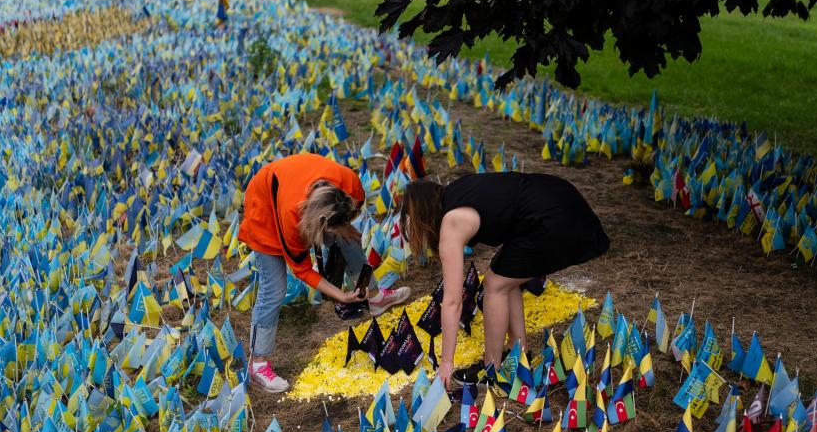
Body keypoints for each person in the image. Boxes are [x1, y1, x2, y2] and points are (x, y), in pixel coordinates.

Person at [400, 172, 609, 390]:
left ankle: (491, 369)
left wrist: (446, 362)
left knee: (495, 284)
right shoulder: (455, 193)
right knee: (503, 276)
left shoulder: (452, 221)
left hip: (553, 217)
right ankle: (519, 352)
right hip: (558, 196)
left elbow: (453, 301)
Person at [239, 153, 411, 393]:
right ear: (317, 224)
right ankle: (258, 365)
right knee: (274, 288)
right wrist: (339, 295)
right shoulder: (291, 220)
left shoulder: (349, 183)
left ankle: (373, 295)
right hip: (265, 204)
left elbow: (348, 218)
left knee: (348, 236)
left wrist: (344, 230)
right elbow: (302, 270)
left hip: (305, 194)